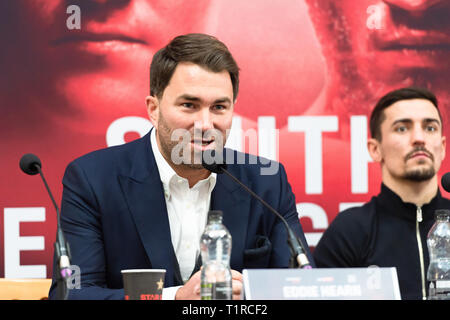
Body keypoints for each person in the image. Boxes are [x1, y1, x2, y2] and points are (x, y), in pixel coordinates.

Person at [48, 33, 313, 300]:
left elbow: (302, 287)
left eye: (219, 107)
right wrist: (174, 299)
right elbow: (72, 294)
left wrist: (250, 294)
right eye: (189, 105)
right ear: (154, 109)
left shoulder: (266, 182)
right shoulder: (93, 180)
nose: (205, 124)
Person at [313, 87, 449, 300]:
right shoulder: (350, 230)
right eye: (402, 129)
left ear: (442, 147)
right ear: (375, 149)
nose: (419, 138)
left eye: (430, 128)